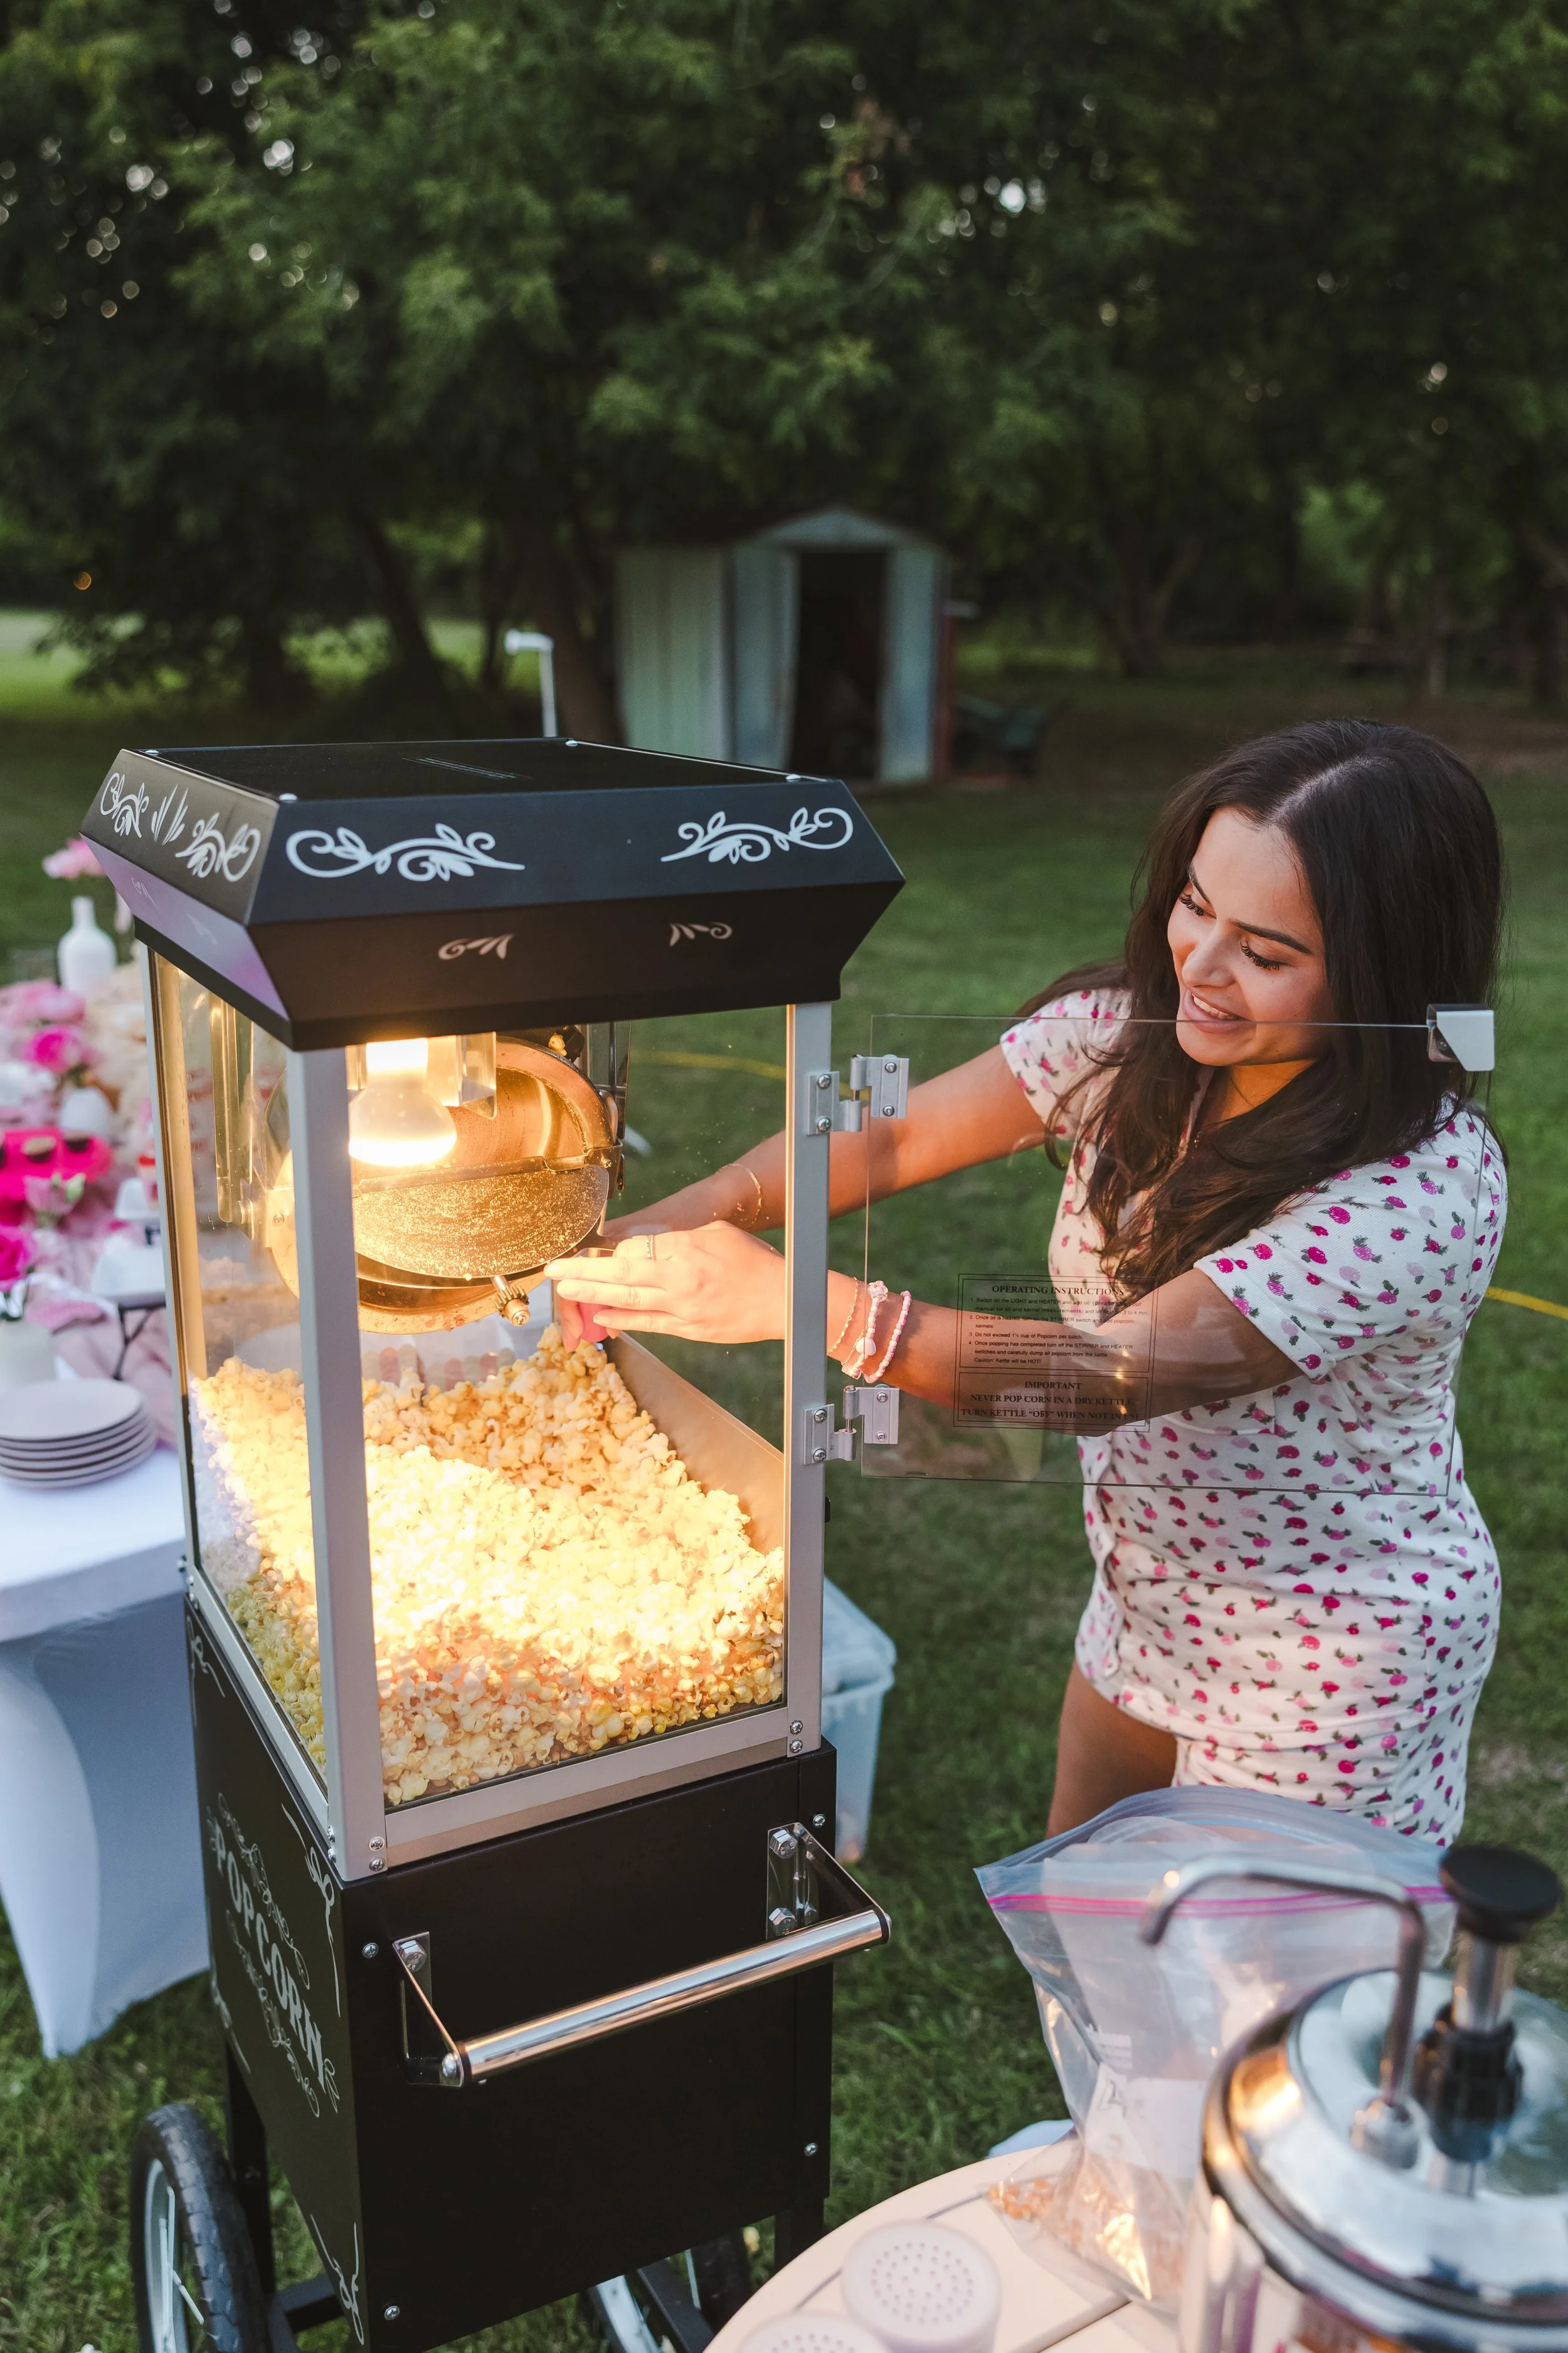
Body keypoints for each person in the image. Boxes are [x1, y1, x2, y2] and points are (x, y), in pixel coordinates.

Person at [549, 721, 1507, 1844]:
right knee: (1077, 1937)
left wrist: (797, 1303)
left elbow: (1107, 1379)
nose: (1197, 967)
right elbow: (893, 1140)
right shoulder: (1127, 1036)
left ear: (1386, 971)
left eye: (1266, 952)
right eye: (1195, 903)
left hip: (1332, 1657)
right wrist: (682, 1215)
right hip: (1147, 1599)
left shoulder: (1418, 1193)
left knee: (1254, 2015)